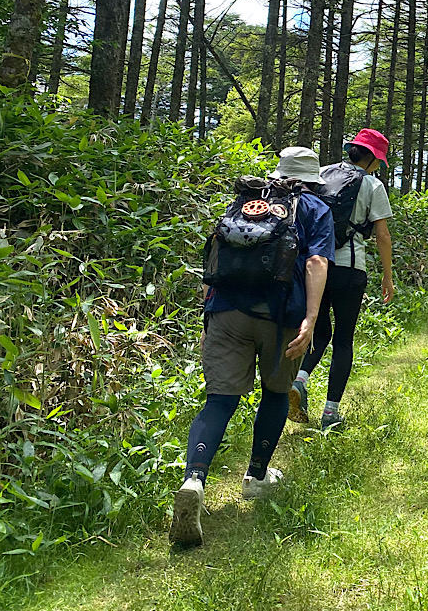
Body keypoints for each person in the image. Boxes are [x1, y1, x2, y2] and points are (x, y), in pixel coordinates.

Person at [169, 146, 334, 547]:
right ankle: (256, 476)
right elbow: (315, 263)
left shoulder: (248, 201)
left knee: (219, 400)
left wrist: (208, 315)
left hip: (226, 311)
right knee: (277, 393)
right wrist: (311, 320)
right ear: (312, 178)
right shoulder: (314, 208)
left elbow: (217, 258)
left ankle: (194, 480)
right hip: (279, 318)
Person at [289, 128, 395, 430]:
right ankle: (331, 413)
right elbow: (382, 235)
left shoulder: (320, 174)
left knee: (319, 333)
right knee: (343, 340)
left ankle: (299, 381)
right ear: (373, 158)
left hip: (316, 266)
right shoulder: (373, 185)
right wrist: (387, 277)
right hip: (350, 269)